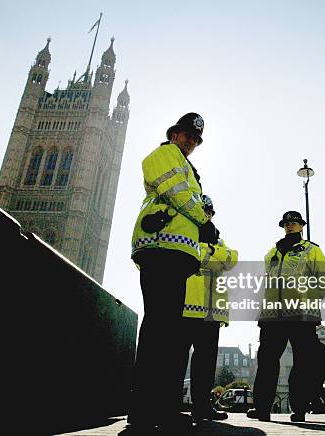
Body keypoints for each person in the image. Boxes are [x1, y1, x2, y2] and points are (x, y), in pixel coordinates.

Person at [128, 113, 219, 430]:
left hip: (176, 253)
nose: (191, 142)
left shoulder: (187, 167)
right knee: (158, 330)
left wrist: (202, 226)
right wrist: (204, 221)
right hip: (160, 247)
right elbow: (178, 193)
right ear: (174, 134)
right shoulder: (165, 154)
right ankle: (143, 406)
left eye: (196, 139)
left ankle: (161, 404)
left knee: (166, 332)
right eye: (187, 136)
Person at [247, 211, 325, 423]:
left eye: (294, 223)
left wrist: (309, 300)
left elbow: (323, 280)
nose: (290, 226)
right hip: (272, 315)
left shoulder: (312, 250)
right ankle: (262, 408)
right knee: (266, 361)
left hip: (301, 314)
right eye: (286, 223)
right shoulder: (271, 252)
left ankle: (300, 408)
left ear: (302, 226)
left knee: (302, 362)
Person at [180, 195, 238, 423]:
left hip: (212, 311)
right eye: (202, 210)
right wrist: (213, 254)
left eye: (208, 211)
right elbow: (195, 254)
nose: (205, 215)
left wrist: (210, 252)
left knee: (205, 363)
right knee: (176, 360)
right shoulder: (184, 232)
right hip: (185, 306)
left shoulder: (218, 239)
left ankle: (202, 407)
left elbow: (233, 258)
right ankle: (170, 405)